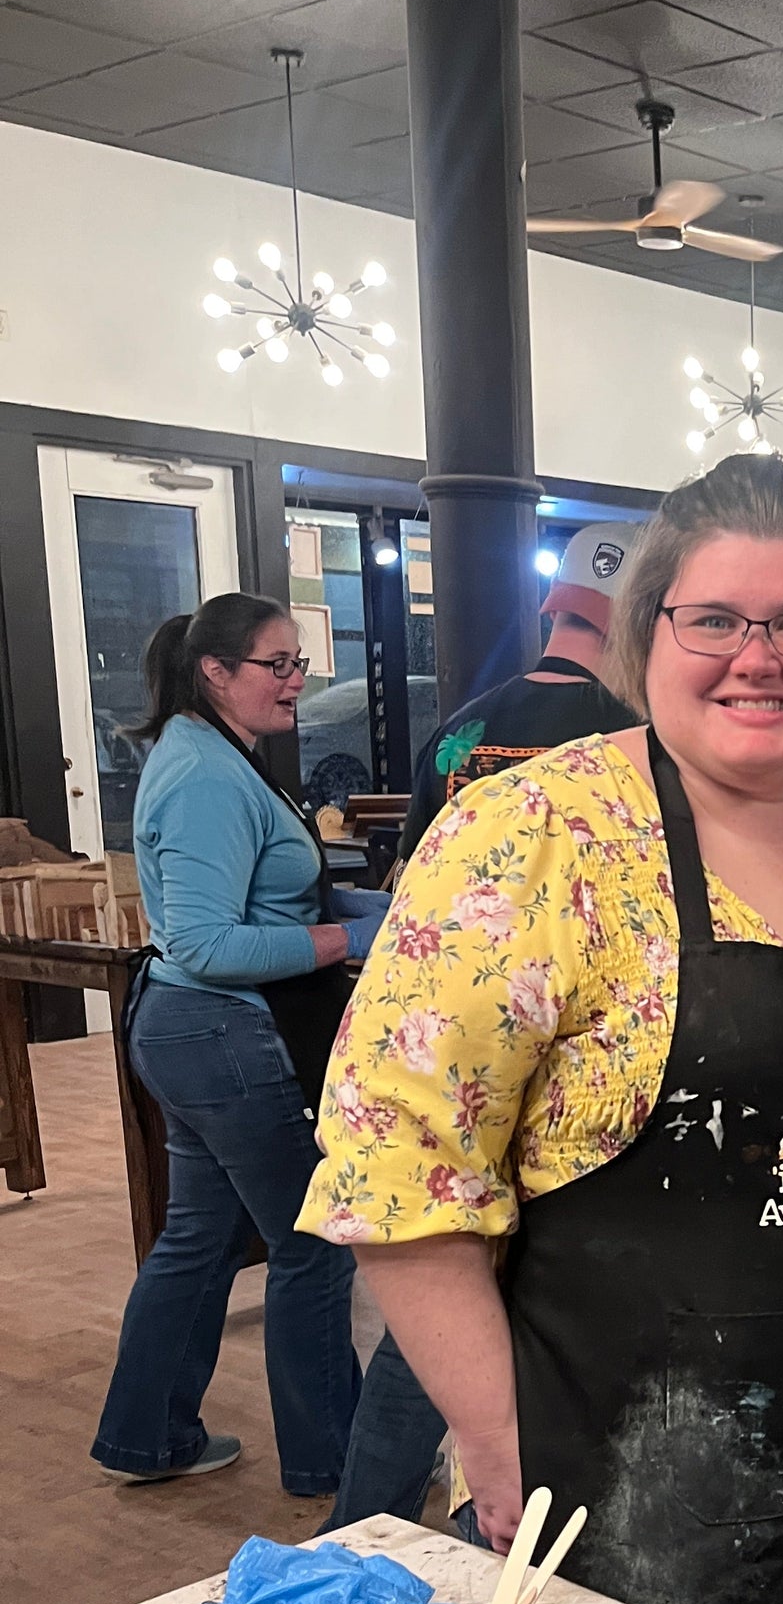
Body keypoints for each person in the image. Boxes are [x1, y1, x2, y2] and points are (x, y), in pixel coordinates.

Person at [298, 457, 783, 1604]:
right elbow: (398, 1182)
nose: (755, 657)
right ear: (644, 634)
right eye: (711, 619)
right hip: (609, 1503)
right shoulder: (529, 838)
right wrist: (498, 1450)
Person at [323, 522, 644, 1534]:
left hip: (443, 1050)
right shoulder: (629, 738)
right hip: (572, 1076)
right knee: (489, 1300)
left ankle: (358, 1527)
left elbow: (416, 893)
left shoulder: (458, 732)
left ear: (553, 612)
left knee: (428, 1298)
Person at [91, 595, 385, 1492]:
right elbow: (205, 944)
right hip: (218, 1034)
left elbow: (258, 902)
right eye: (279, 664)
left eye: (300, 662)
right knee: (310, 1243)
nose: (299, 681)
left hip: (201, 1035)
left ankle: (148, 1436)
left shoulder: (219, 756)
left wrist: (358, 912)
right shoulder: (208, 775)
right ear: (216, 672)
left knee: (201, 1236)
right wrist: (350, 942)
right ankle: (332, 1464)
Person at [395, 520, 642, 861]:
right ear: (643, 625)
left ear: (554, 604)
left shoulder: (455, 735)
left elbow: (412, 881)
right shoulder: (639, 743)